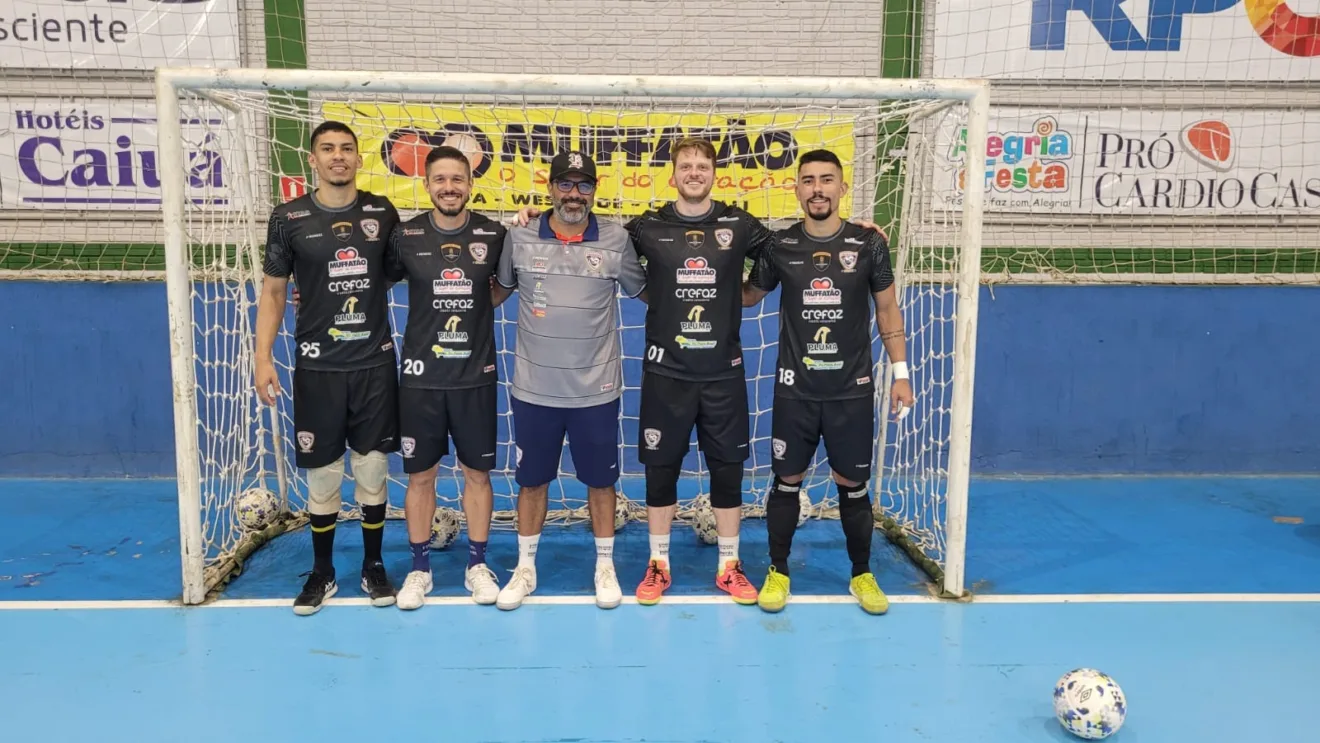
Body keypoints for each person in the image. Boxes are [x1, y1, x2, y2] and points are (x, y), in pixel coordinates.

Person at [742, 148, 915, 616]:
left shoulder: (869, 244)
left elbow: (887, 311)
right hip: (795, 391)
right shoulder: (779, 247)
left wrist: (901, 374)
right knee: (786, 481)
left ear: (841, 187)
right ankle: (777, 571)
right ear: (796, 188)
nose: (817, 188)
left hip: (851, 391)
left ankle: (862, 573)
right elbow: (748, 296)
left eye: (826, 180)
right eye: (808, 180)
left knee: (852, 485)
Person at [255, 121, 402, 616]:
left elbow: (403, 272)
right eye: (327, 149)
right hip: (316, 367)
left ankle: (374, 566)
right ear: (312, 161)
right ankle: (322, 572)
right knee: (322, 475)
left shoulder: (382, 213)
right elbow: (274, 291)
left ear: (359, 159)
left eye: (346, 149)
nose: (338, 156)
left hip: (374, 364)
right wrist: (262, 357)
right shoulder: (287, 217)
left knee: (374, 467)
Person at [492, 150, 648, 611]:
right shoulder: (518, 235)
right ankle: (525, 568)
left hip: (596, 390)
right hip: (534, 389)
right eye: (565, 184)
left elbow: (650, 291)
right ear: (550, 188)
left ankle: (604, 566)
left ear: (594, 191)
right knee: (532, 481)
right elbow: (495, 292)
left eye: (583, 185)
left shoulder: (617, 239)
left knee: (601, 483)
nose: (574, 194)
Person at [384, 145, 509, 610]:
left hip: (475, 377)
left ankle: (477, 564)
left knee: (477, 475)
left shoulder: (493, 234)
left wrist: (474, 308)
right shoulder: (405, 235)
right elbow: (372, 281)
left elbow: (502, 288)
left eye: (458, 179)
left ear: (470, 184)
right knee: (421, 477)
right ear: (427, 184)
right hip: (420, 379)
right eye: (441, 179)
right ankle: (419, 569)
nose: (449, 187)